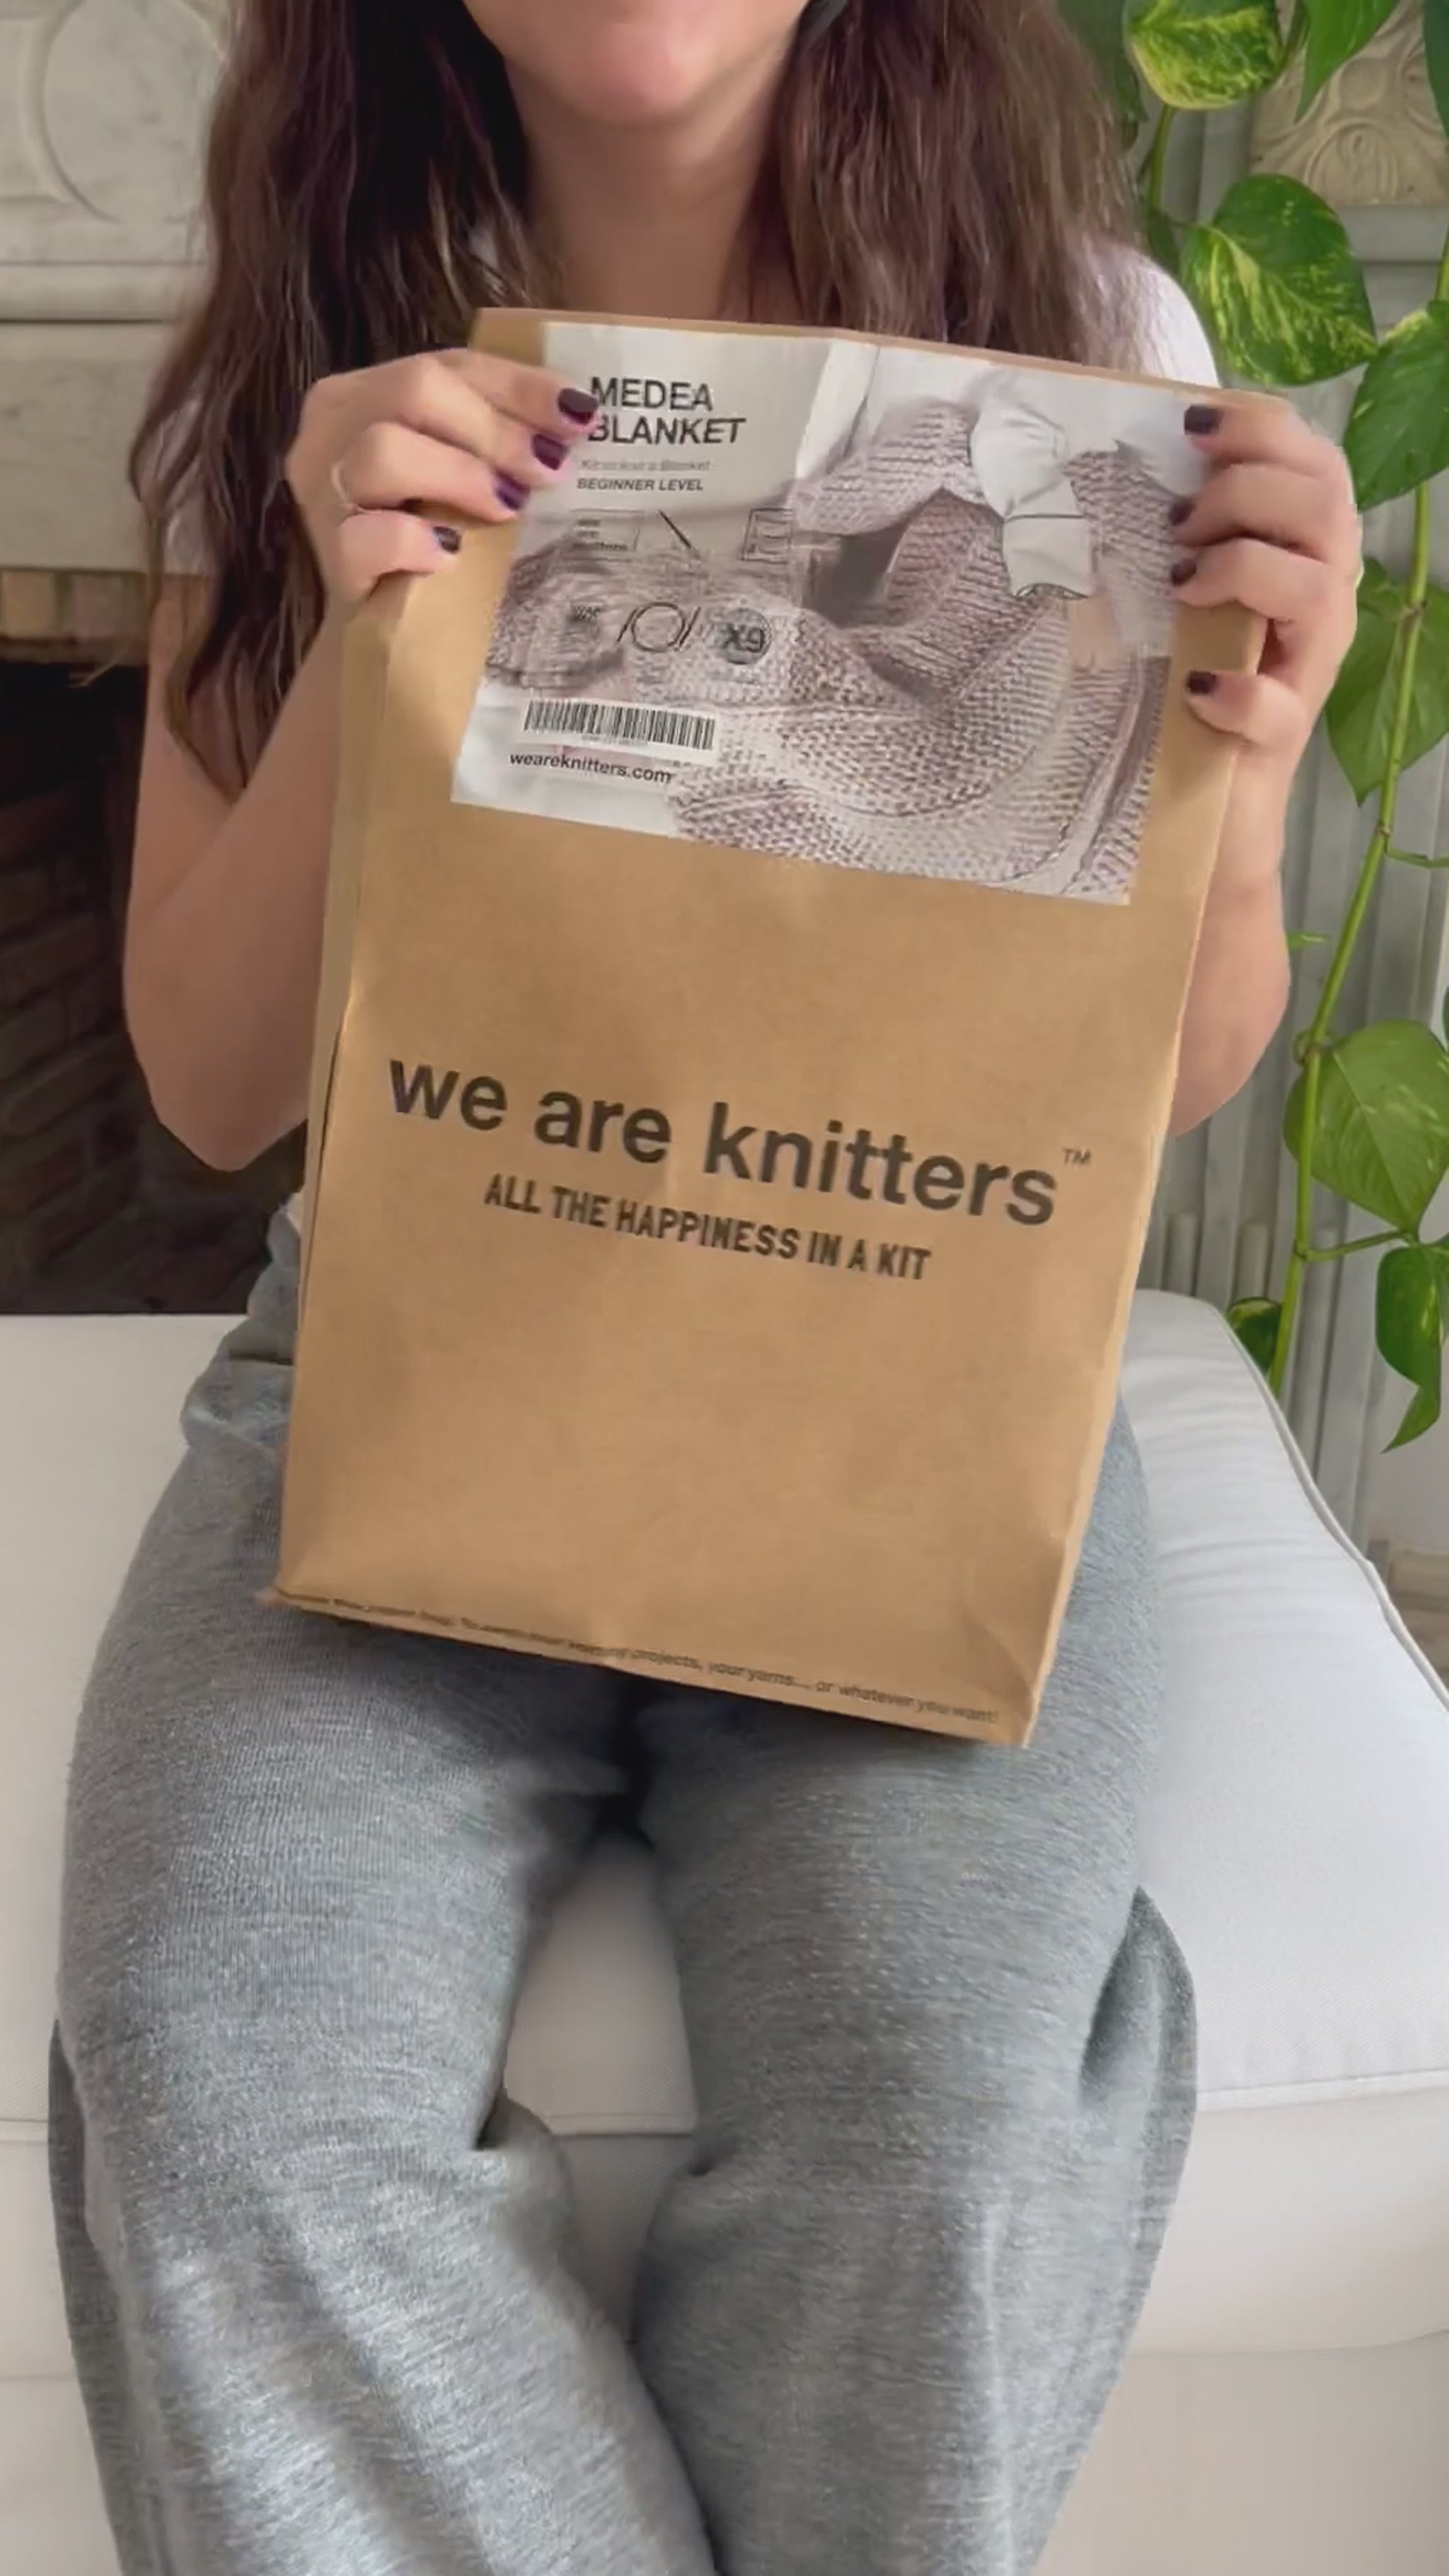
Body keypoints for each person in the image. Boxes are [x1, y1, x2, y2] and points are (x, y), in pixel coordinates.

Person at [47, 5, 1361, 2574]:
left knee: (946, 2119)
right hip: (413, 1343)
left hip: (917, 1339)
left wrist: (1255, 764)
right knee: (218, 2080)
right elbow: (208, 1083)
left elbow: (1171, 1078)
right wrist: (363, 637)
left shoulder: (1094, 346)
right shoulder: (305, 357)